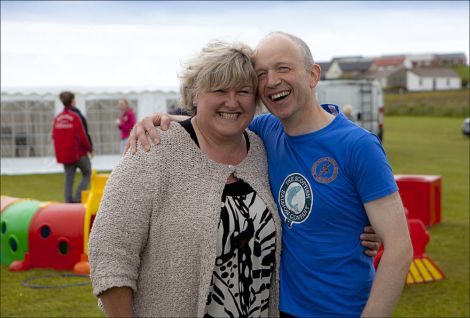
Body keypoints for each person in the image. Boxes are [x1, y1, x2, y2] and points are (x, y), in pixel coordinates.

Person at [128, 31, 413, 317]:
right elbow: (212, 121)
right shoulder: (265, 132)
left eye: (283, 68)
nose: (272, 81)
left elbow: (399, 249)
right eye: (261, 73)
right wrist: (158, 122)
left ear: (313, 75)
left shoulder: (358, 146)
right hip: (275, 309)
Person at [88, 40, 283, 317]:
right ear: (194, 95)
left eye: (243, 91)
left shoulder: (261, 150)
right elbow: (110, 251)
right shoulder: (153, 149)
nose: (232, 101)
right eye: (219, 90)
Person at [52, 91, 93, 203]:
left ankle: (68, 203)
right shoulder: (75, 117)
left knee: (69, 179)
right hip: (78, 154)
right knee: (87, 173)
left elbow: (54, 136)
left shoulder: (58, 118)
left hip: (65, 155)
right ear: (72, 101)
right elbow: (83, 136)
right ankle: (78, 198)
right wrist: (90, 149)